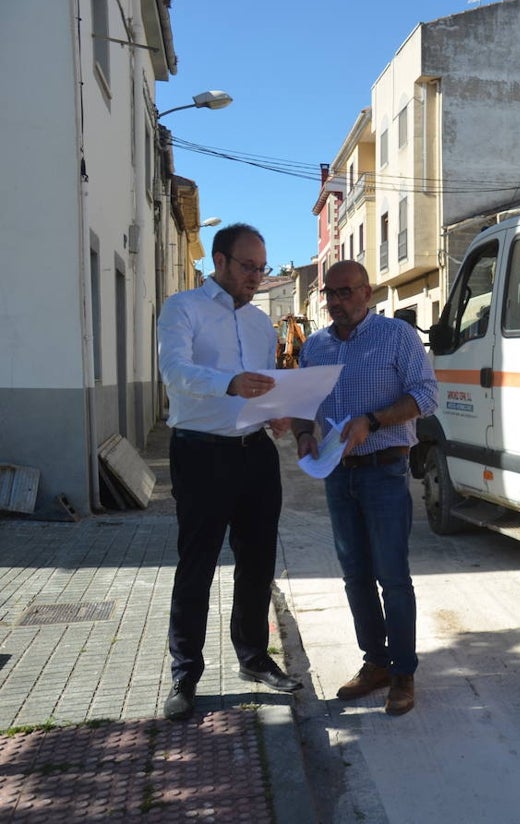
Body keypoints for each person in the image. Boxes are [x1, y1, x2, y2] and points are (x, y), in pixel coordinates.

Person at [156, 222, 302, 722]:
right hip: (200, 454)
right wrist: (230, 383)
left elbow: (259, 390)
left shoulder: (262, 325)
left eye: (262, 268)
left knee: (259, 560)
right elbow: (175, 372)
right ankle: (185, 671)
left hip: (254, 453)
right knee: (196, 563)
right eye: (248, 267)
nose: (257, 277)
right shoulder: (183, 309)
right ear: (219, 261)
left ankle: (254, 658)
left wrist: (275, 412)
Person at [292, 260, 438, 715]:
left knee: (392, 576)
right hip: (338, 474)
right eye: (330, 294)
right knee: (355, 575)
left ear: (367, 293)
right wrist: (302, 434)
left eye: (346, 292)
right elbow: (301, 401)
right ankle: (375, 662)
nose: (337, 302)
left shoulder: (397, 336)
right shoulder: (314, 346)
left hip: (385, 471)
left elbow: (426, 396)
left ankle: (403, 672)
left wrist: (371, 421)